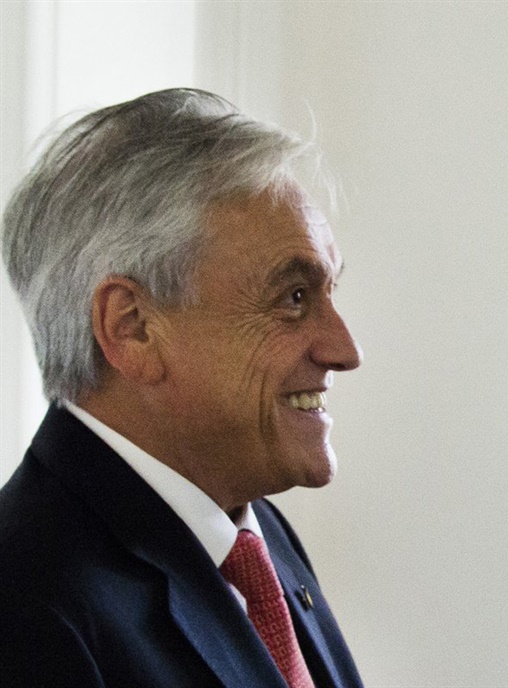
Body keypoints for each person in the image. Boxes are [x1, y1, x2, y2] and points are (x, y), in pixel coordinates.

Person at [0, 89, 365, 687]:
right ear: (133, 327)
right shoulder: (25, 610)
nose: (344, 350)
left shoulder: (255, 536)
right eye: (294, 298)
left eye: (329, 292)